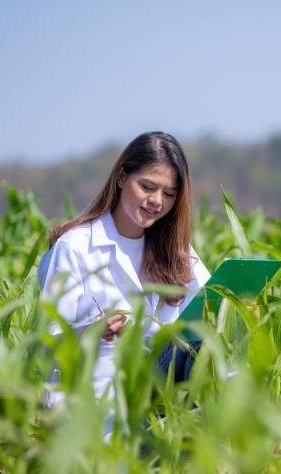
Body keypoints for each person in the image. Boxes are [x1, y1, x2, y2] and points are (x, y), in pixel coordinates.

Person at [38, 131, 210, 439]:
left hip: (157, 388)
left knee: (207, 346)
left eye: (169, 194)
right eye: (147, 186)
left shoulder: (177, 252)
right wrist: (92, 330)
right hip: (95, 388)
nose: (157, 201)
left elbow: (210, 307)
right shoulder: (75, 247)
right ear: (121, 177)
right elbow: (47, 347)